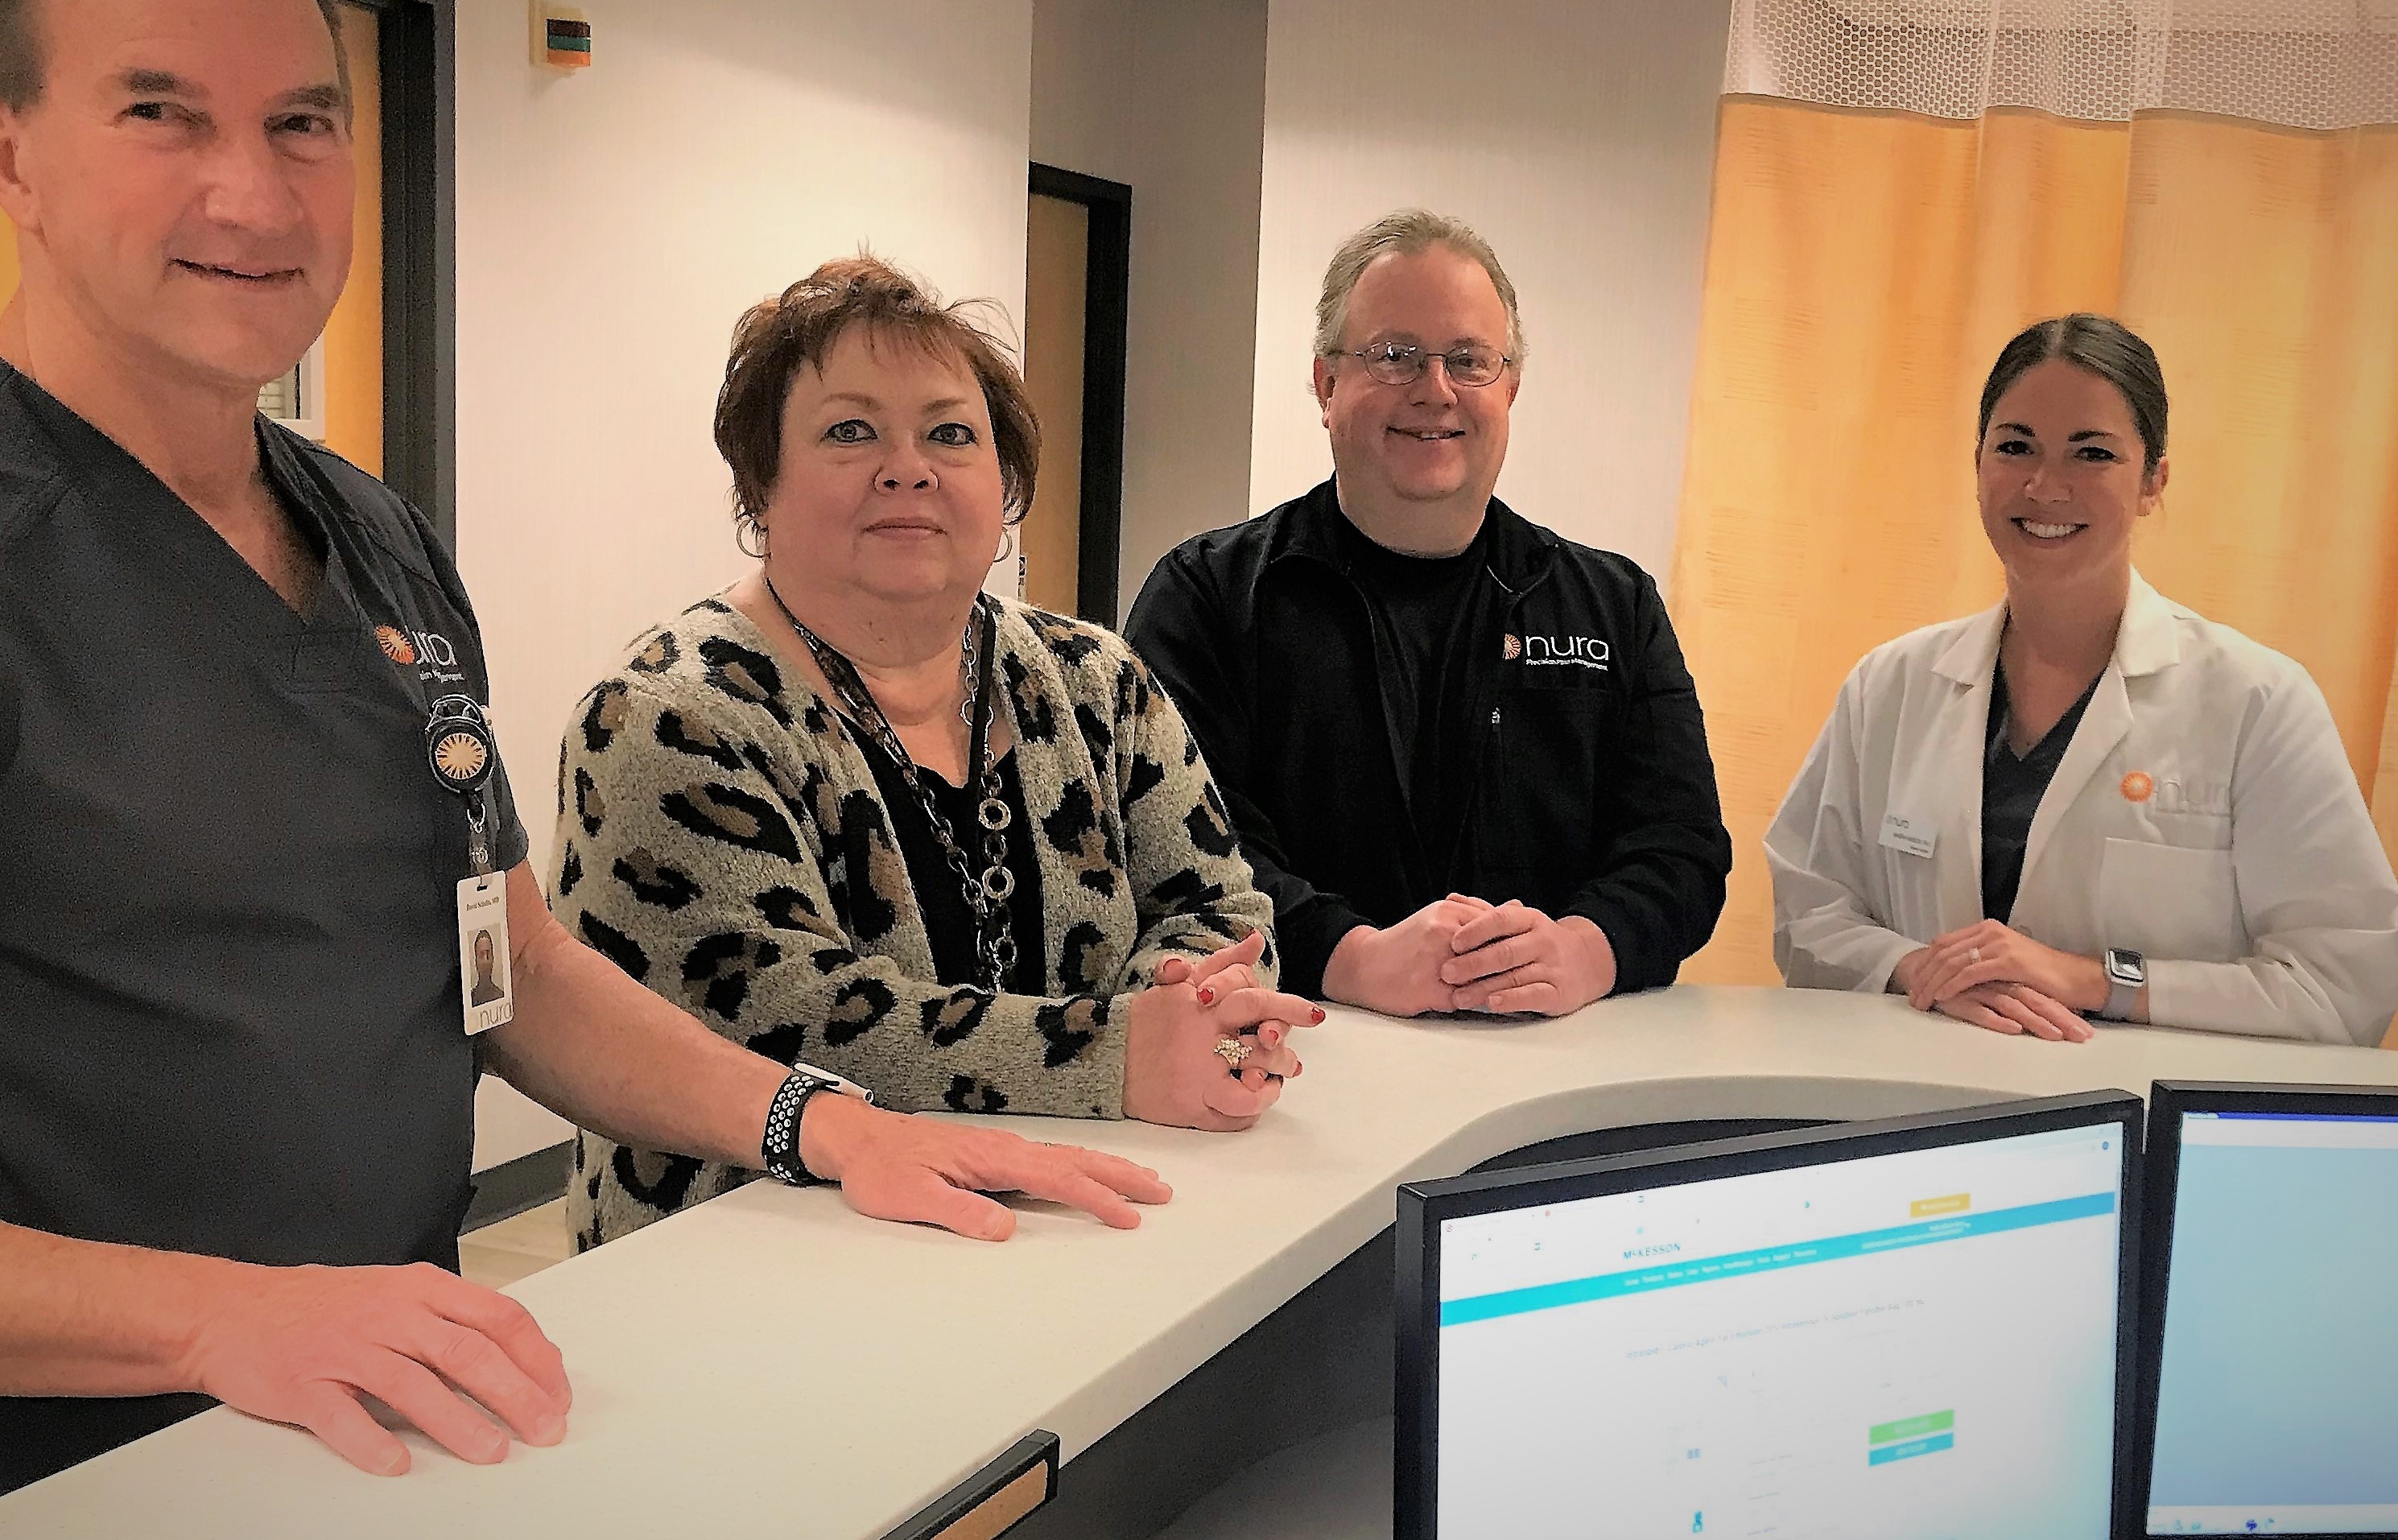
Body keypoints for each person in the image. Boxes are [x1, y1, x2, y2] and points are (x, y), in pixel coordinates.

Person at [0, 0, 1167, 1533]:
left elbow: (511, 968)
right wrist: (218, 1309)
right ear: (6, 151)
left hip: (393, 1421)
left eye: (300, 120)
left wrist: (823, 1122)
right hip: (31, 1482)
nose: (255, 196)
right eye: (159, 114)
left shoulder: (373, 542)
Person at [554, 255, 1315, 1247]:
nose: (907, 465)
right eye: (850, 430)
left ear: (1003, 487)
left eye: (950, 432)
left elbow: (1217, 904)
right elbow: (781, 1023)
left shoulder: (1095, 677)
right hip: (757, 1265)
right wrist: (1117, 1055)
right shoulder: (663, 719)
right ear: (760, 486)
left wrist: (1189, 1006)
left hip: (1067, 1225)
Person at [1125, 208, 1732, 1019]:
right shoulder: (1205, 596)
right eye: (1394, 354)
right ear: (1325, 384)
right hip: (1298, 1046)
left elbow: (1682, 849)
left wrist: (1587, 947)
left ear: (1510, 385)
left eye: (1469, 360)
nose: (1435, 388)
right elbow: (1173, 841)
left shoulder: (1615, 606)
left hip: (1555, 1060)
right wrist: (1349, 955)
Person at [1768, 314, 2398, 1046]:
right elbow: (1808, 913)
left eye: (2090, 453)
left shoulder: (2256, 701)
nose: (2044, 485)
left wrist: (2093, 977)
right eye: (2014, 447)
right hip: (1915, 1115)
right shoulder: (1890, 686)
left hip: (2137, 1129)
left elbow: (2342, 983)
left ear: (2151, 481)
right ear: (1977, 463)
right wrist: (1923, 970)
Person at [469, 928, 506, 1009]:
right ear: (476, 961)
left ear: (493, 959)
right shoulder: (469, 1000)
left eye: (488, 955)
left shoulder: (501, 996)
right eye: (481, 955)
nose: (486, 961)